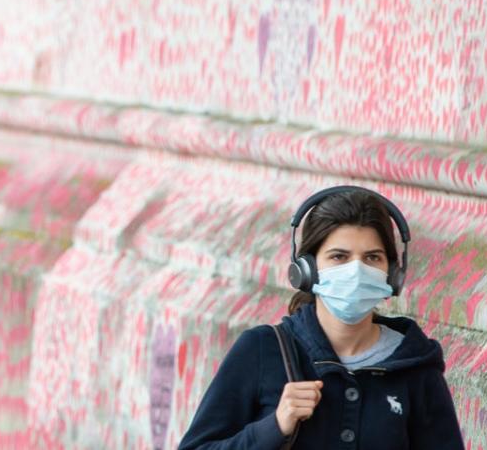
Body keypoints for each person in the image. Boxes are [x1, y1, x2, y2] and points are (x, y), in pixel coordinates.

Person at [178, 186, 464, 449]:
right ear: (307, 270)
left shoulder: (416, 366)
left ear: (392, 274)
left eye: (372, 258)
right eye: (339, 257)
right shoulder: (262, 350)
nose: (356, 271)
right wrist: (274, 427)